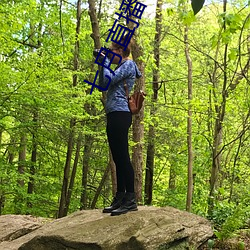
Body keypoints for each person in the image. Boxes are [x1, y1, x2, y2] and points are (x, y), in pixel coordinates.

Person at [98, 36, 142, 216]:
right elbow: (103, 84)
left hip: (121, 113)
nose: (110, 53)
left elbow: (109, 81)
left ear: (121, 51)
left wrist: (105, 61)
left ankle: (130, 199)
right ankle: (121, 196)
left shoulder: (128, 65)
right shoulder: (119, 67)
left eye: (112, 50)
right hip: (113, 113)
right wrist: (103, 64)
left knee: (123, 157)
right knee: (117, 157)